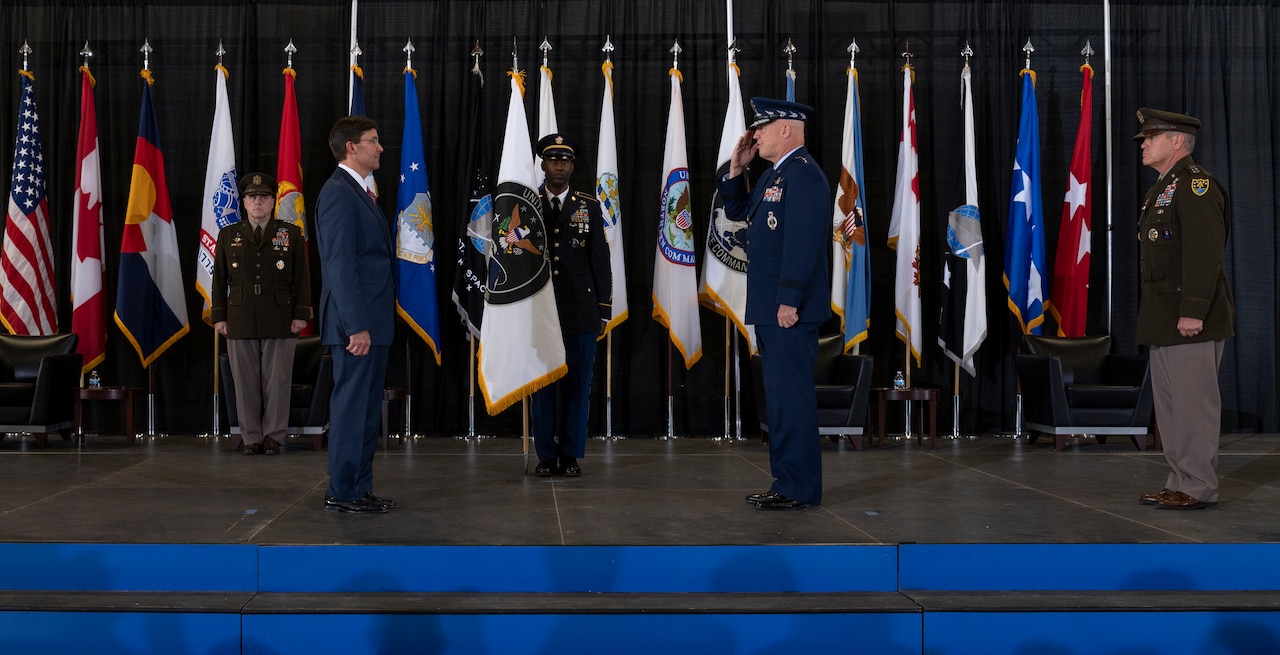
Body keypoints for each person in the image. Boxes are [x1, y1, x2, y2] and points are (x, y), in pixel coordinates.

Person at [717, 98, 831, 510]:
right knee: (779, 401)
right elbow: (740, 211)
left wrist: (788, 300)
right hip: (770, 307)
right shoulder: (773, 176)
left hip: (788, 310)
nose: (755, 134)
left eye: (762, 127)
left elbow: (802, 245)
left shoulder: (804, 176)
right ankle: (786, 483)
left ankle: (799, 488)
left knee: (792, 400)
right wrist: (737, 170)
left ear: (786, 129)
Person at [1133, 107, 1234, 510]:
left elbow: (1204, 253)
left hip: (1192, 318)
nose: (1144, 144)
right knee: (1173, 408)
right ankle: (1179, 480)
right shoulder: (1163, 187)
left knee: (1195, 407)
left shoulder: (1196, 187)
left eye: (1151, 138)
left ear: (1177, 141)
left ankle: (1198, 486)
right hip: (1163, 318)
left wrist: (1193, 309)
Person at [314, 116, 398, 513]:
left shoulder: (360, 191)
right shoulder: (338, 194)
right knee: (351, 411)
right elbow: (340, 266)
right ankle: (343, 491)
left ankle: (358, 488)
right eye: (373, 141)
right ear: (351, 146)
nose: (380, 148)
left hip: (372, 322)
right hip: (357, 327)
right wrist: (356, 326)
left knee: (365, 411)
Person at [211, 172, 312, 456]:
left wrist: (301, 313)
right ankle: (251, 437)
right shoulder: (228, 234)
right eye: (252, 197)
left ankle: (274, 437)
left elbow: (302, 278)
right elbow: (219, 279)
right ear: (244, 202)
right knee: (244, 382)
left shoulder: (290, 233)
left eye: (264, 197)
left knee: (277, 381)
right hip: (239, 316)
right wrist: (219, 316)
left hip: (280, 315)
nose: (258, 202)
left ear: (272, 202)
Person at [530, 133, 612, 477]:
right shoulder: (527, 204)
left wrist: (604, 308)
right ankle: (546, 455)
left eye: (565, 160)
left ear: (572, 166)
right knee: (543, 387)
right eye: (552, 159)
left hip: (580, 310)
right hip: (540, 311)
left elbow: (600, 260)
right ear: (543, 164)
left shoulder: (589, 206)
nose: (559, 165)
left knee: (578, 386)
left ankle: (571, 454)